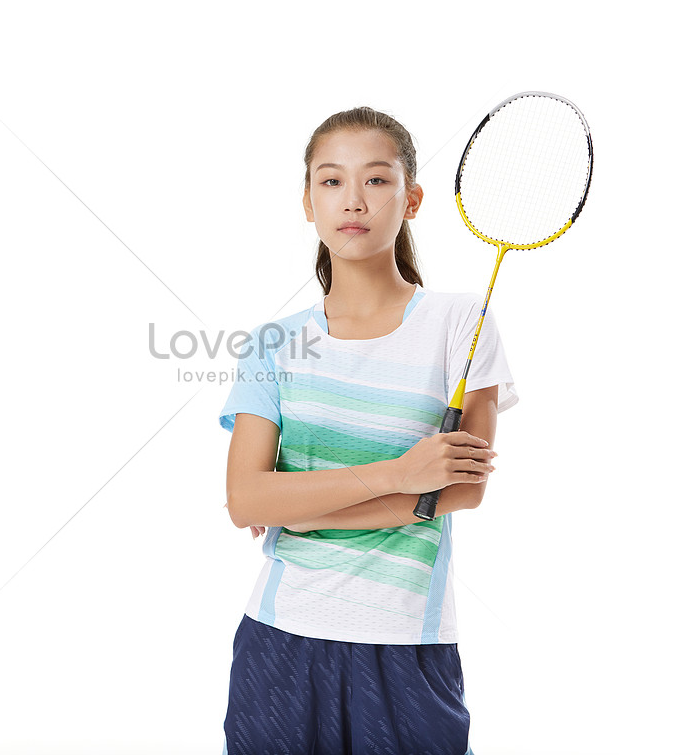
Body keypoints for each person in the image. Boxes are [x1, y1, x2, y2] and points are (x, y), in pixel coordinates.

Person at [217, 107, 519, 755]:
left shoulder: (461, 322)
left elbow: (463, 489)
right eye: (331, 181)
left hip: (408, 648)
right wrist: (399, 477)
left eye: (377, 180)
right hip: (279, 641)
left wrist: (301, 509)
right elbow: (246, 499)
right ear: (307, 202)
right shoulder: (274, 344)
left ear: (411, 197)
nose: (353, 200)